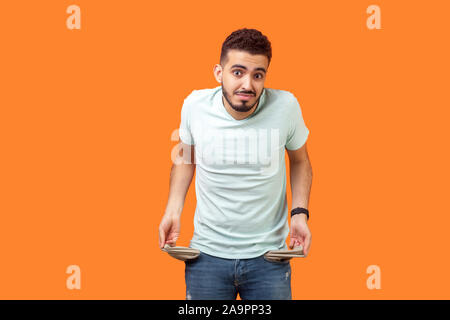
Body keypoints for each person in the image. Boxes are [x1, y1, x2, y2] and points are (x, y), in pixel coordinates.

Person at [158, 28, 313, 300]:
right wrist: (172, 210)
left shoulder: (286, 106)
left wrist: (299, 213)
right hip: (206, 256)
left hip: (269, 257)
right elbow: (184, 159)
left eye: (258, 75)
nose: (247, 85)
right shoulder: (194, 105)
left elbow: (300, 161)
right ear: (219, 73)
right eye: (238, 72)